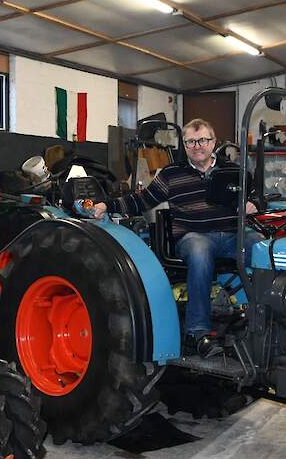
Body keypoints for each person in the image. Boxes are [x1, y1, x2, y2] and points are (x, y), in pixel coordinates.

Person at [93, 118, 261, 353]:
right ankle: (198, 332)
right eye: (191, 142)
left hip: (233, 235)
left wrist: (253, 204)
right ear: (184, 144)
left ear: (213, 142)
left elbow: (256, 198)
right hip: (193, 237)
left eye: (202, 140)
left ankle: (261, 321)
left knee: (263, 248)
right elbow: (142, 200)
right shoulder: (172, 174)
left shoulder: (233, 171)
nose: (197, 146)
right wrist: (107, 206)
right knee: (200, 252)